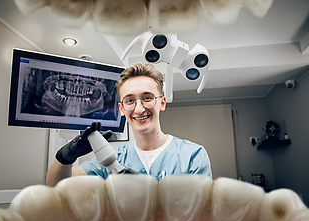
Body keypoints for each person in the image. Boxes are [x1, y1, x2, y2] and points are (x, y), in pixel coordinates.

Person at [46, 63, 212, 187]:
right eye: (130, 100)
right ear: (122, 109)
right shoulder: (111, 159)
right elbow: (56, 186)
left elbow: (200, 217)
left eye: (147, 98)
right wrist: (64, 157)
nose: (139, 109)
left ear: (162, 103)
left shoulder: (192, 155)